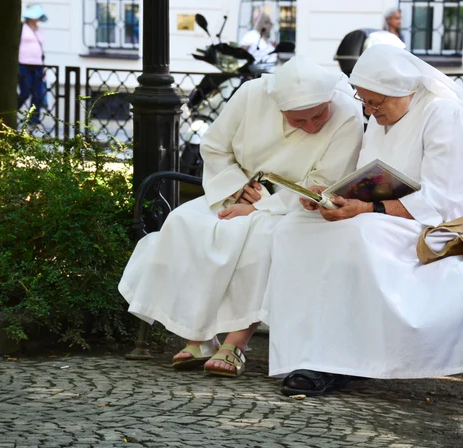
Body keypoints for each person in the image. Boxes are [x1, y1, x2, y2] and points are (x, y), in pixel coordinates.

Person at [262, 45, 463, 396]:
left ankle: (340, 360)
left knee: (357, 235)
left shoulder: (445, 113)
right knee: (294, 229)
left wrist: (365, 210)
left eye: (376, 102)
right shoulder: (383, 115)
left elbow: (440, 200)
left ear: (404, 90)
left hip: (446, 221)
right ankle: (307, 350)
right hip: (387, 212)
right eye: (364, 101)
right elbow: (371, 179)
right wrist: (329, 195)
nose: (369, 110)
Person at [119, 56, 363, 377]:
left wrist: (263, 204)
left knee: (260, 236)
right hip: (236, 189)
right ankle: (201, 335)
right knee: (184, 222)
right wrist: (237, 187)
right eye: (298, 121)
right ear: (278, 107)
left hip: (293, 206)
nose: (312, 127)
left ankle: (237, 341)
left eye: (318, 116)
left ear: (329, 99)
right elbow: (216, 146)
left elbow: (328, 179)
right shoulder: (251, 94)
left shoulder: (347, 114)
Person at [18, 4, 48, 126]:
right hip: (23, 64)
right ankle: (7, 112)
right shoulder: (21, 28)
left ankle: (33, 120)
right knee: (25, 92)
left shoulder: (38, 29)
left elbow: (41, 48)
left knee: (38, 94)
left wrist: (44, 66)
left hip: (38, 65)